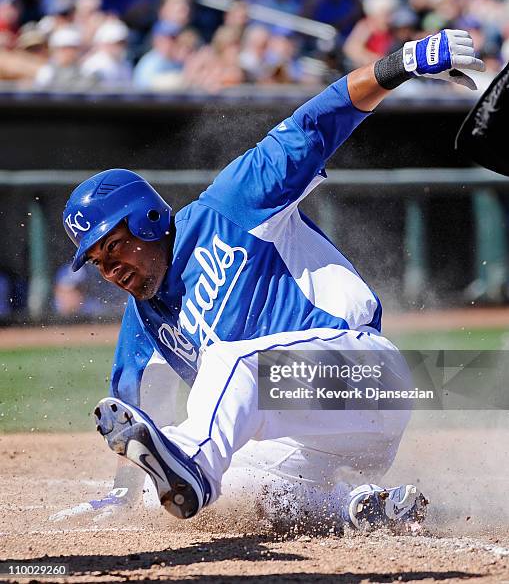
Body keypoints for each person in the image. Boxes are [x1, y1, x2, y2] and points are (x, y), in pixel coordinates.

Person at [54, 29, 484, 529]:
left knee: (229, 365)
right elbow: (135, 423)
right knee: (189, 498)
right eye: (99, 263)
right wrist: (125, 493)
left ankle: (197, 470)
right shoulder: (144, 320)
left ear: (149, 218)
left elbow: (315, 124)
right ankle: (364, 509)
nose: (110, 269)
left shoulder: (231, 204)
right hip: (315, 440)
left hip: (367, 379)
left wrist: (402, 64)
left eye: (114, 247)